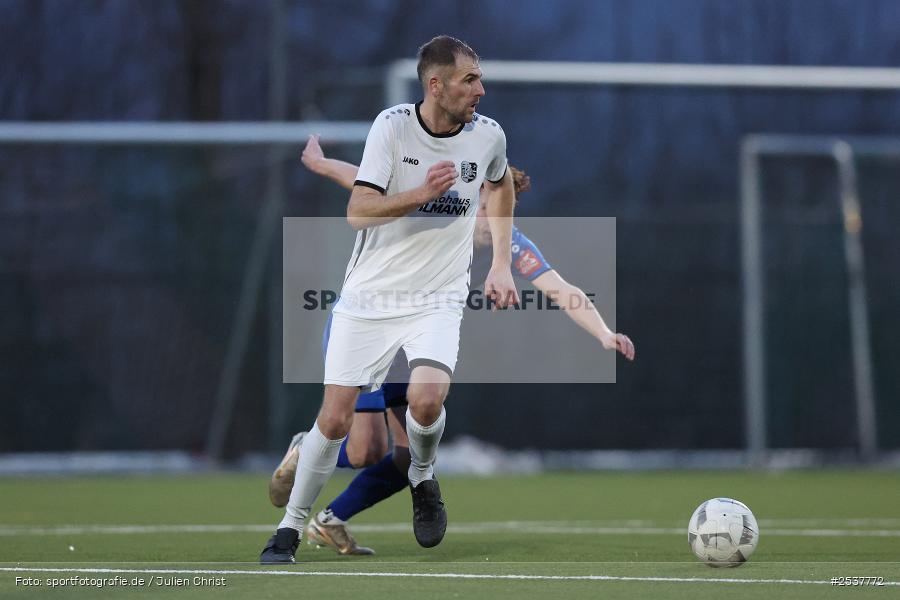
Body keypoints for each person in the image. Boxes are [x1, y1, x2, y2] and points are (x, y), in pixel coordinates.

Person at [266, 137, 636, 556]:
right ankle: (306, 446)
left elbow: (559, 287)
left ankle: (330, 521)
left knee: (407, 459)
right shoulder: (438, 207)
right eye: (483, 203)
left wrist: (604, 332)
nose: (488, 215)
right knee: (365, 449)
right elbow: (363, 183)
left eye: (497, 207)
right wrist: (322, 163)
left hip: (415, 345)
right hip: (369, 327)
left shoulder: (508, 242)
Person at [260, 35, 519, 564]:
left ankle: (423, 478)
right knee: (337, 425)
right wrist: (420, 194)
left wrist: (499, 263)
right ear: (436, 84)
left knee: (427, 400)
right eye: (470, 79)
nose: (481, 90)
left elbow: (502, 183)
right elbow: (360, 209)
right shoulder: (392, 126)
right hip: (370, 298)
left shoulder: (488, 136)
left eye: (479, 78)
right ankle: (289, 527)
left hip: (437, 299)